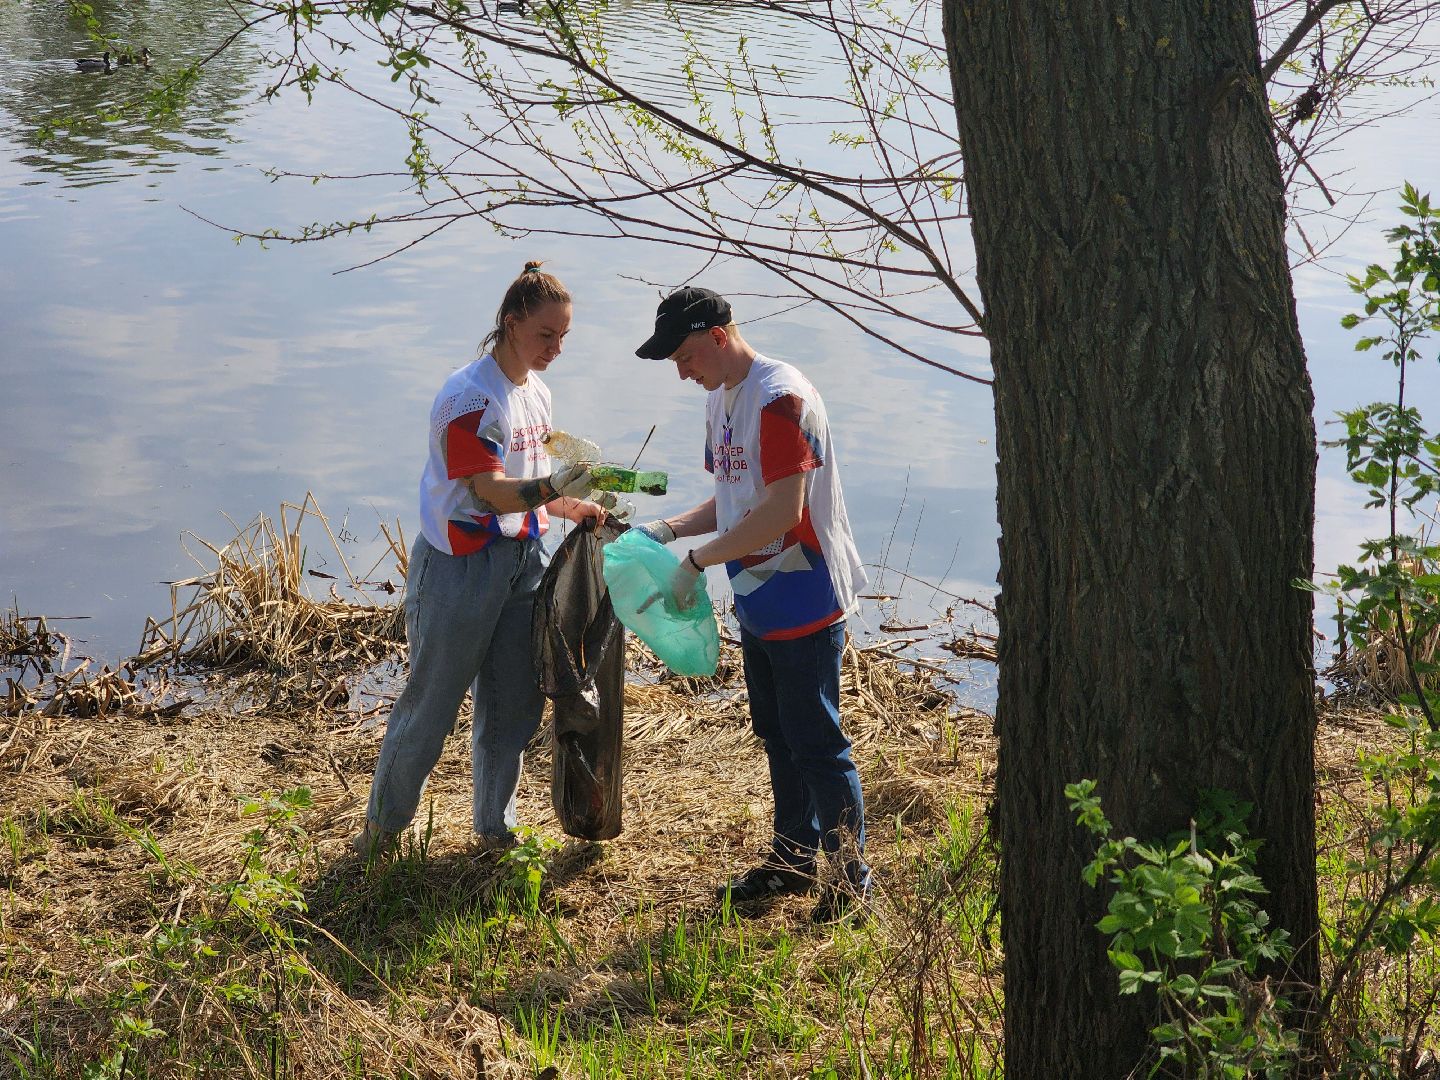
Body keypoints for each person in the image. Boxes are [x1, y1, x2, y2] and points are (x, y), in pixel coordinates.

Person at [633, 286, 872, 922]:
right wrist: (668, 529)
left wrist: (695, 562)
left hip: (805, 593)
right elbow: (734, 497)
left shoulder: (779, 397)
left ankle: (850, 884)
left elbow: (782, 510)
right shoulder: (720, 397)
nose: (681, 372)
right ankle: (793, 862)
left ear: (717, 336)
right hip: (756, 597)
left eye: (684, 356)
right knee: (777, 733)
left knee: (817, 742)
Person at [354, 261, 607, 858]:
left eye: (564, 336)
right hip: (460, 566)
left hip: (524, 561)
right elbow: (490, 492)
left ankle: (494, 829)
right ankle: (382, 833)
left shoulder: (536, 392)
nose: (556, 348)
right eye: (546, 334)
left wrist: (573, 505)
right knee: (433, 704)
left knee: (514, 702)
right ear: (511, 323)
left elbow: (529, 482)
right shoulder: (469, 398)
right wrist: (553, 487)